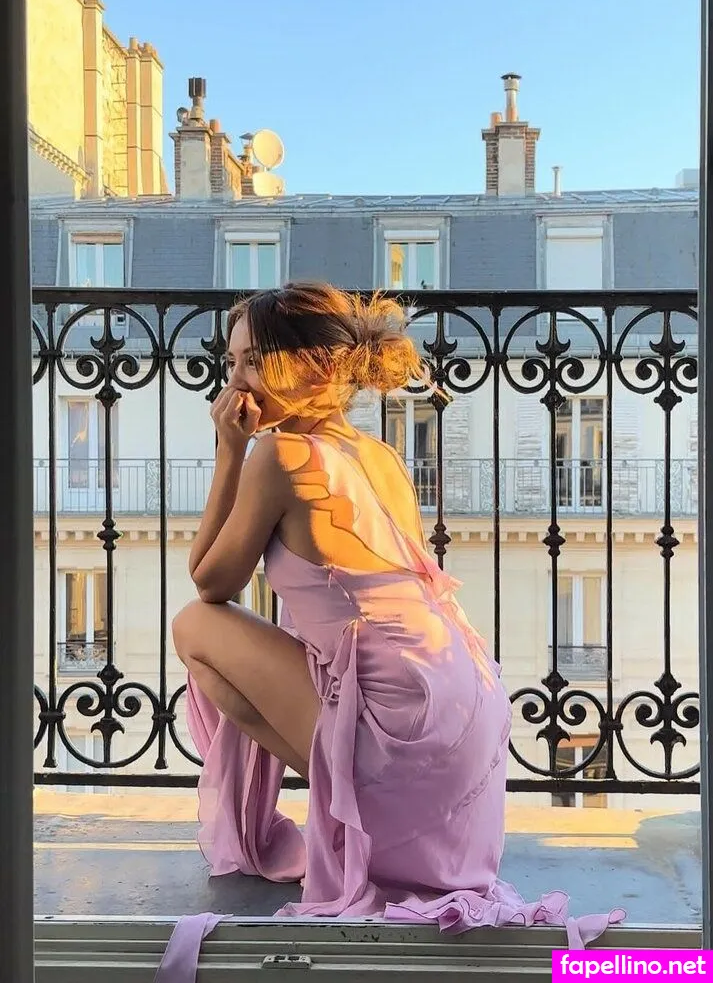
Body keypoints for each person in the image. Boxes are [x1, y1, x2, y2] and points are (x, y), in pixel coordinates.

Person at [155, 283, 624, 981]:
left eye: (252, 362)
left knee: (194, 628)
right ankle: (351, 810)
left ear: (311, 366)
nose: (235, 382)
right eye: (232, 363)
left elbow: (209, 583)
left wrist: (230, 451)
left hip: (400, 721)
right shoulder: (379, 454)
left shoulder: (279, 456)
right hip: (462, 705)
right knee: (250, 663)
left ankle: (350, 810)